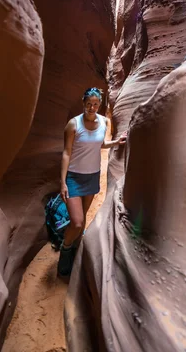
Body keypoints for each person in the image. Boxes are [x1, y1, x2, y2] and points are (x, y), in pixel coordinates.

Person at [57, 87, 126, 277]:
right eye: (89, 104)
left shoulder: (104, 122)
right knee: (78, 222)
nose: (92, 107)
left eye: (96, 104)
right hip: (73, 177)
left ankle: (76, 254)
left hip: (92, 176)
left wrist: (116, 142)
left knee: (83, 216)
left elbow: (100, 144)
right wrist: (62, 182)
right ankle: (65, 250)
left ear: (100, 104)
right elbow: (66, 153)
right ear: (83, 102)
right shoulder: (73, 124)